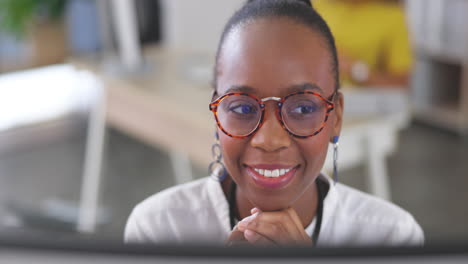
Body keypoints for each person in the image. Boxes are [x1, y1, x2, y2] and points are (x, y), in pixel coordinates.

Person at [125, 0, 424, 247]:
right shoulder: (159, 228)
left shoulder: (391, 237)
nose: (269, 139)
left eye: (303, 107)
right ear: (216, 113)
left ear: (336, 118)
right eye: (242, 107)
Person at [313, 0, 413, 88]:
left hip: (362, 102)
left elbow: (402, 83)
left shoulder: (393, 17)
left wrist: (355, 69)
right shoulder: (312, 6)